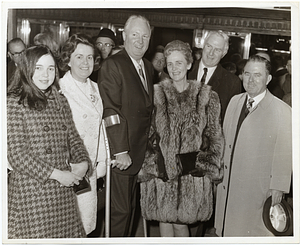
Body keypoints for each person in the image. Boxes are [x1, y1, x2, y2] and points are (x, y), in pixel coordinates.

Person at [138, 40, 224, 237]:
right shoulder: (156, 94)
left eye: (178, 63)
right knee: (164, 220)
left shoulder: (206, 96)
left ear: (188, 64)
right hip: (163, 172)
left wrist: (203, 164)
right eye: (170, 63)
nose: (174, 68)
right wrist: (153, 164)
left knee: (180, 224)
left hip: (190, 175)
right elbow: (147, 133)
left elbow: (214, 136)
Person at [7, 45, 90, 238]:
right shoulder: (13, 102)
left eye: (51, 68)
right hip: (33, 195)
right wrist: (58, 175)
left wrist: (82, 162)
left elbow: (73, 138)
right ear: (26, 69)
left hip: (62, 195)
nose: (46, 75)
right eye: (38, 68)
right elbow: (17, 155)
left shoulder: (60, 100)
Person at [214, 55, 292, 236]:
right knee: (226, 229)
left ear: (268, 79)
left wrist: (278, 186)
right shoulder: (235, 101)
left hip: (258, 187)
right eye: (247, 74)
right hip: (229, 183)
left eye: (257, 75)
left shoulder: (282, 111)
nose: (251, 80)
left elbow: (285, 152)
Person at [98, 15, 154, 237]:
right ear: (124, 36)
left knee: (130, 209)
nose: (139, 41)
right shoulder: (113, 65)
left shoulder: (147, 67)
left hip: (138, 152)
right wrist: (120, 150)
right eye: (134, 35)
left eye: (144, 36)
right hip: (121, 154)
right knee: (120, 211)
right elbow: (111, 111)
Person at [58, 33, 106, 235]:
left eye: (89, 57)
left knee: (85, 225)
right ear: (68, 59)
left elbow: (100, 127)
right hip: (66, 170)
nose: (85, 63)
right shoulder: (59, 88)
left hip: (90, 168)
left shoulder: (96, 88)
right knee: (64, 226)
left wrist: (102, 160)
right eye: (79, 56)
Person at [188, 30, 241, 124]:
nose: (211, 53)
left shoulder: (232, 82)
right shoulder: (185, 71)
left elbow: (230, 121)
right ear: (203, 46)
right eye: (209, 46)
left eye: (217, 50)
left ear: (223, 54)